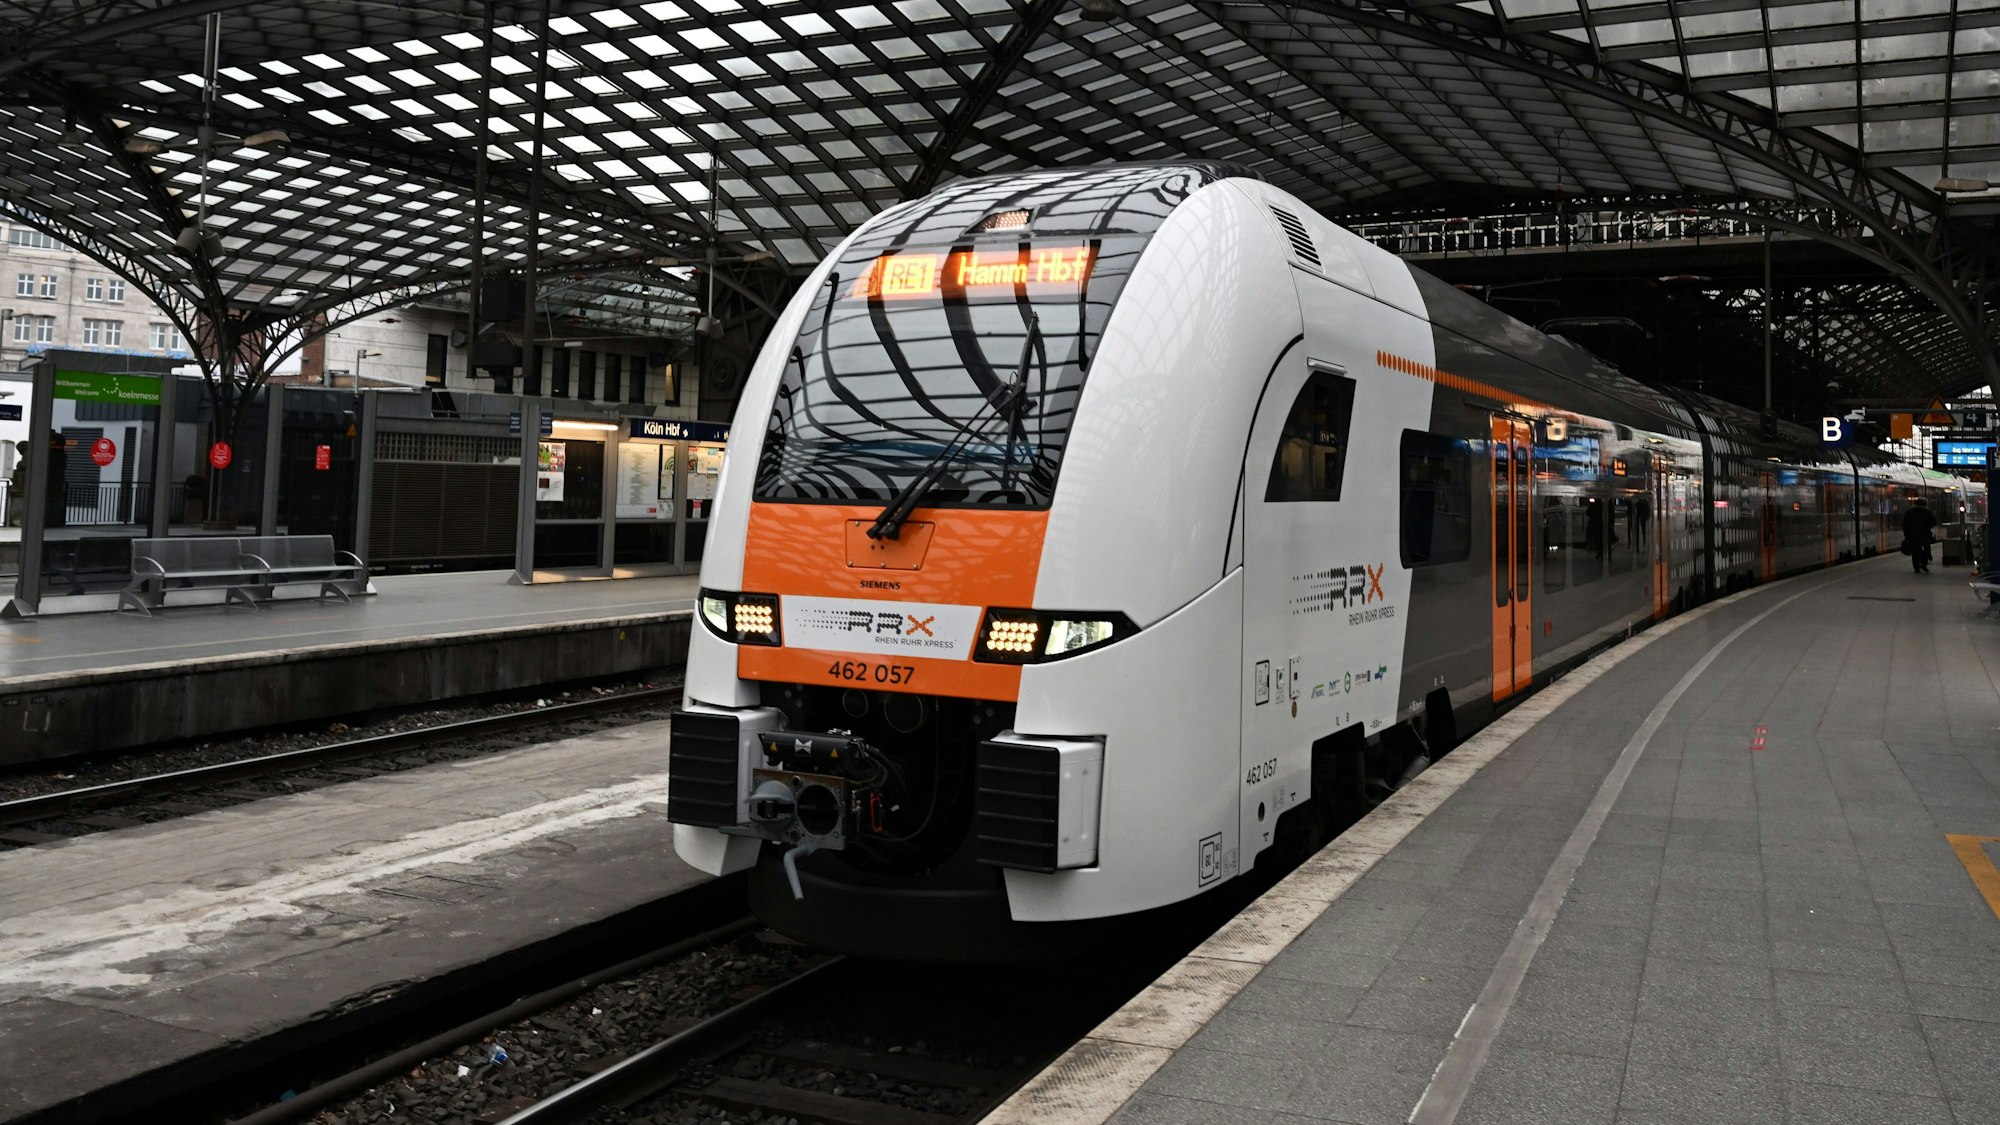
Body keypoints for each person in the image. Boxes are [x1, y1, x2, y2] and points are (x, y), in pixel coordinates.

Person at [1902, 498, 1937, 574]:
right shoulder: (1927, 512)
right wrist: (1927, 526)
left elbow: (1905, 524)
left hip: (1912, 535)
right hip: (1925, 534)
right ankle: (1923, 563)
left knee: (1915, 552)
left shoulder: (1909, 512)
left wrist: (1906, 535)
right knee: (1926, 549)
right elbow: (1934, 522)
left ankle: (1916, 568)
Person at [43, 434, 66, 528]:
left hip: (50, 485)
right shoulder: (62, 456)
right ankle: (53, 521)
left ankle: (49, 521)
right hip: (57, 485)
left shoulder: (49, 456)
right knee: (54, 504)